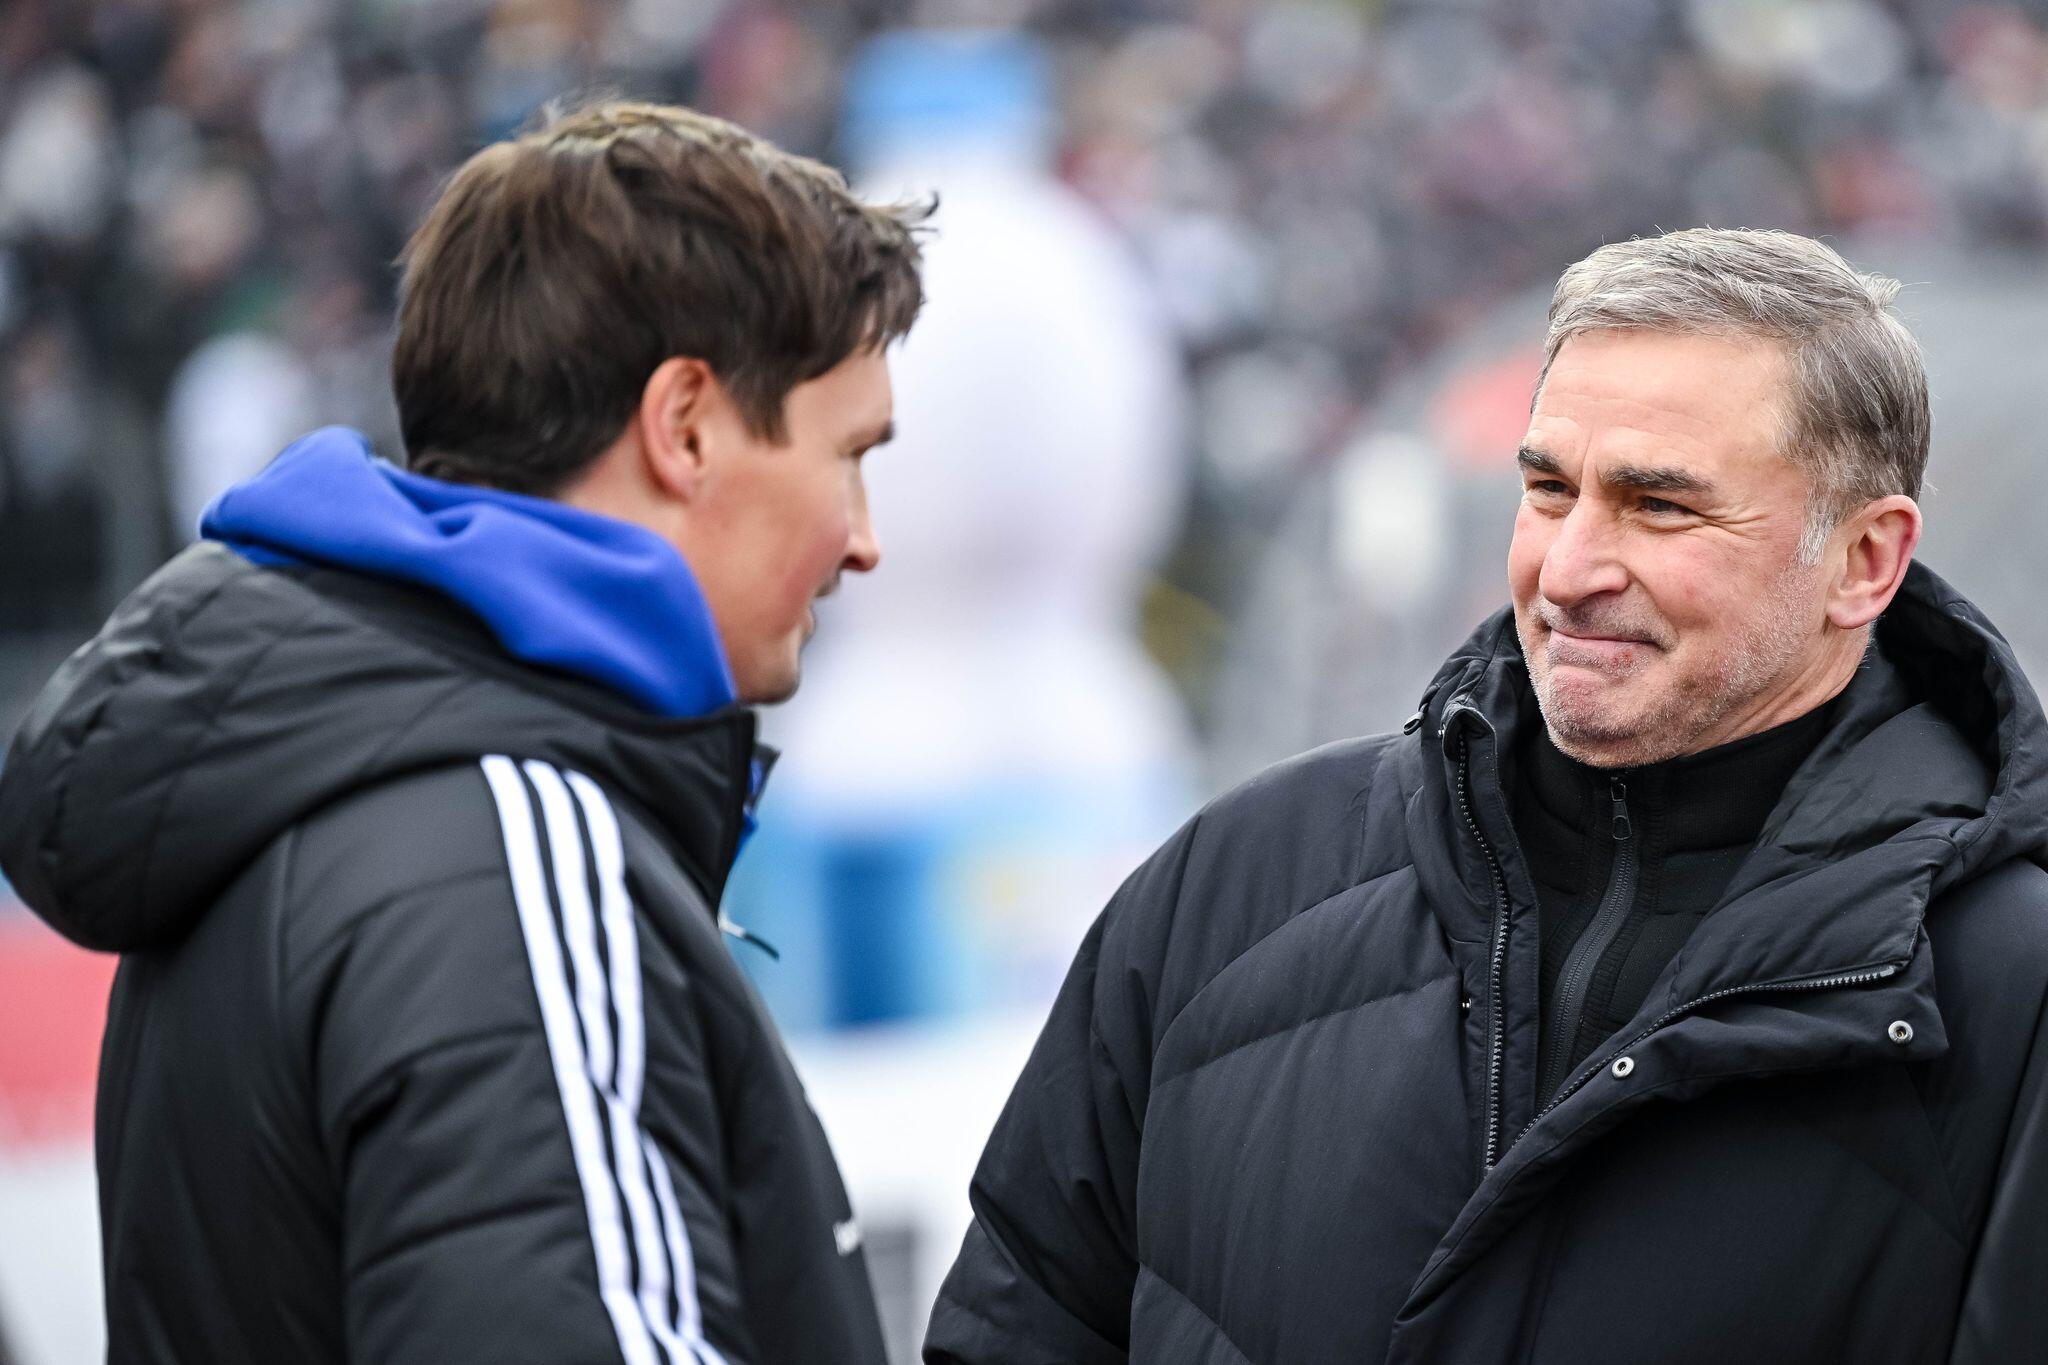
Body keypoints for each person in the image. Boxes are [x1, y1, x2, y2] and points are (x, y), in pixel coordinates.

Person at [926, 228, 2048, 1364]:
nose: (1567, 570)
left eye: (1659, 505)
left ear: (1864, 560)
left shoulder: (2013, 995)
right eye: (1548, 490)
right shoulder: (1230, 884)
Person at [0, 100, 925, 1364]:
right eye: (850, 454)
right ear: (686, 425)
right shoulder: (514, 845)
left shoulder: (316, 781)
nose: (863, 540)